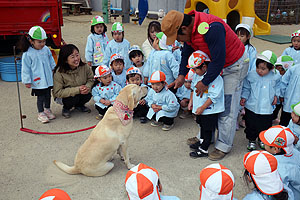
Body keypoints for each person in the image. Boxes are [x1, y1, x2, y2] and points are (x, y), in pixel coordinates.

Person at [162, 10, 248, 160]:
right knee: (205, 102)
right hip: (212, 66)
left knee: (226, 107)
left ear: (184, 28)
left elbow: (219, 60)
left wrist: (204, 82)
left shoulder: (212, 28)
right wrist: (181, 75)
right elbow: (187, 52)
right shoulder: (189, 29)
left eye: (178, 38)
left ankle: (223, 145)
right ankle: (205, 137)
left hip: (233, 66)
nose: (179, 41)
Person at [240, 50, 281, 151]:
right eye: (258, 67)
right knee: (251, 124)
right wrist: (244, 97)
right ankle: (252, 140)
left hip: (267, 107)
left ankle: (262, 139)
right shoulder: (251, 75)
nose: (259, 71)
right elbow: (246, 87)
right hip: (252, 106)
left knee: (265, 125)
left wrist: (276, 95)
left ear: (271, 68)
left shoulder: (276, 76)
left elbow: (278, 87)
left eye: (263, 69)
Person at [187, 51, 224, 158]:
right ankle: (202, 142)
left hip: (209, 110)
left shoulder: (216, 78)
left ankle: (204, 149)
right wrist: (191, 102)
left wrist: (203, 107)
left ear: (204, 67)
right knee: (202, 126)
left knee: (207, 129)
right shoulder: (196, 76)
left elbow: (213, 96)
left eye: (195, 69)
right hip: (200, 109)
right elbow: (194, 89)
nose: (193, 71)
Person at [20, 26, 56, 123]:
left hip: (48, 78)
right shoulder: (27, 54)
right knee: (40, 97)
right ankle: (41, 113)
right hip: (37, 80)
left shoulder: (46, 50)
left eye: (44, 41)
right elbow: (25, 69)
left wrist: (54, 68)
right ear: (31, 41)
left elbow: (51, 60)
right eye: (39, 42)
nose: (42, 44)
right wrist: (27, 81)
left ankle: (47, 109)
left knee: (48, 95)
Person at [259, 125, 300, 199]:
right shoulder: (296, 152)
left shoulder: (277, 168)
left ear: (275, 149)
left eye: (265, 143)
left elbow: (279, 193)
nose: (263, 144)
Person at [53, 44, 93, 118]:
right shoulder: (59, 72)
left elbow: (91, 79)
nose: (76, 59)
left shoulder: (84, 66)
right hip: (66, 96)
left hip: (81, 90)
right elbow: (57, 92)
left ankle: (80, 105)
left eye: (77, 55)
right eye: (72, 57)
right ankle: (66, 108)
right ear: (65, 60)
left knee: (88, 93)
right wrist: (77, 90)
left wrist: (87, 87)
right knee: (72, 99)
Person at [272, 55, 294, 124]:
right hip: (275, 98)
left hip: (284, 98)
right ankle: (273, 118)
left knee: (282, 110)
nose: (279, 71)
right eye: (278, 69)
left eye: (282, 69)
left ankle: (276, 119)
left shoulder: (290, 77)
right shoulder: (276, 75)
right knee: (274, 109)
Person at [280, 59, 300, 126]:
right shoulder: (293, 69)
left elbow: (283, 83)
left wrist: (282, 95)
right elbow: (283, 83)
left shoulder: (294, 68)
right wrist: (282, 95)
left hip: (289, 103)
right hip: (290, 103)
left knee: (285, 124)